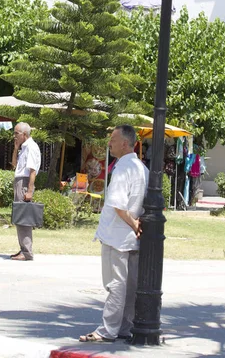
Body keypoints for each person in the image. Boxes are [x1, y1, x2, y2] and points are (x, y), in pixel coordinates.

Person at [79, 125, 149, 343]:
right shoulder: (142, 168)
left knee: (115, 284)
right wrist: (136, 224)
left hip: (117, 235)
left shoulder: (123, 168)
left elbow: (119, 206)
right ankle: (123, 327)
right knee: (129, 286)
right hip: (130, 238)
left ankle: (107, 330)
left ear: (125, 144)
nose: (109, 144)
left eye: (113, 140)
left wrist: (133, 224)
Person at [10, 122, 41, 261]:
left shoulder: (31, 147)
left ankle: (27, 252)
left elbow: (32, 170)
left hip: (24, 182)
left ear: (24, 134)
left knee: (24, 218)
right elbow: (15, 165)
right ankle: (23, 249)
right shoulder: (24, 147)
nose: (14, 136)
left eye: (16, 133)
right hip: (20, 180)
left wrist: (29, 190)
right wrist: (16, 149)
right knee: (19, 216)